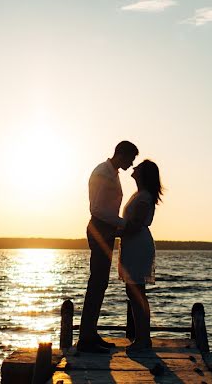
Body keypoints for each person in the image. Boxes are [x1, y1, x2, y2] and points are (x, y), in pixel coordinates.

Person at [76, 140, 139, 353]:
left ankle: (90, 334)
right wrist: (124, 224)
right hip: (100, 230)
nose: (131, 164)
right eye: (131, 159)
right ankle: (86, 338)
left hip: (107, 231)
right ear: (122, 154)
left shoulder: (111, 172)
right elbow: (97, 209)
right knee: (96, 283)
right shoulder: (103, 173)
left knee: (100, 284)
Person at [118, 159, 163, 351]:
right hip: (132, 243)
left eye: (138, 167)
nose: (133, 168)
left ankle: (143, 339)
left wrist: (113, 232)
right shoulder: (139, 195)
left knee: (137, 292)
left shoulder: (144, 197)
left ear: (143, 174)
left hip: (137, 244)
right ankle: (141, 337)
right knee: (134, 291)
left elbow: (135, 224)